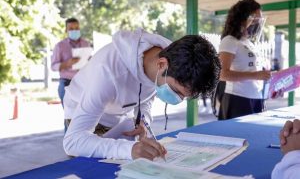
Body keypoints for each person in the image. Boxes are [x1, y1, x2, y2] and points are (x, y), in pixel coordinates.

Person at [63, 28, 221, 161]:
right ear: (161, 64)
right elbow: (73, 142)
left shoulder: (166, 60)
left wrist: (143, 120)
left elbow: (147, 93)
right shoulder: (108, 72)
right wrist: (128, 149)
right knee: (86, 168)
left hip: (117, 118)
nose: (177, 99)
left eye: (183, 97)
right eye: (176, 91)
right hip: (82, 115)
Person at [218, 0, 272, 120]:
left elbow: (254, 71)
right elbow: (222, 74)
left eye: (259, 19)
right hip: (237, 99)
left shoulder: (248, 43)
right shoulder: (229, 41)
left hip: (256, 98)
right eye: (254, 19)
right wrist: (255, 76)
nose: (257, 23)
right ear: (243, 18)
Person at [51, 17, 92, 107]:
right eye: (71, 29)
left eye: (76, 28)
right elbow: (53, 66)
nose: (74, 31)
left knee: (84, 112)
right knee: (69, 117)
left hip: (84, 82)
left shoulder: (86, 44)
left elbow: (90, 61)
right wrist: (67, 64)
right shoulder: (60, 46)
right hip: (66, 83)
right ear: (66, 30)